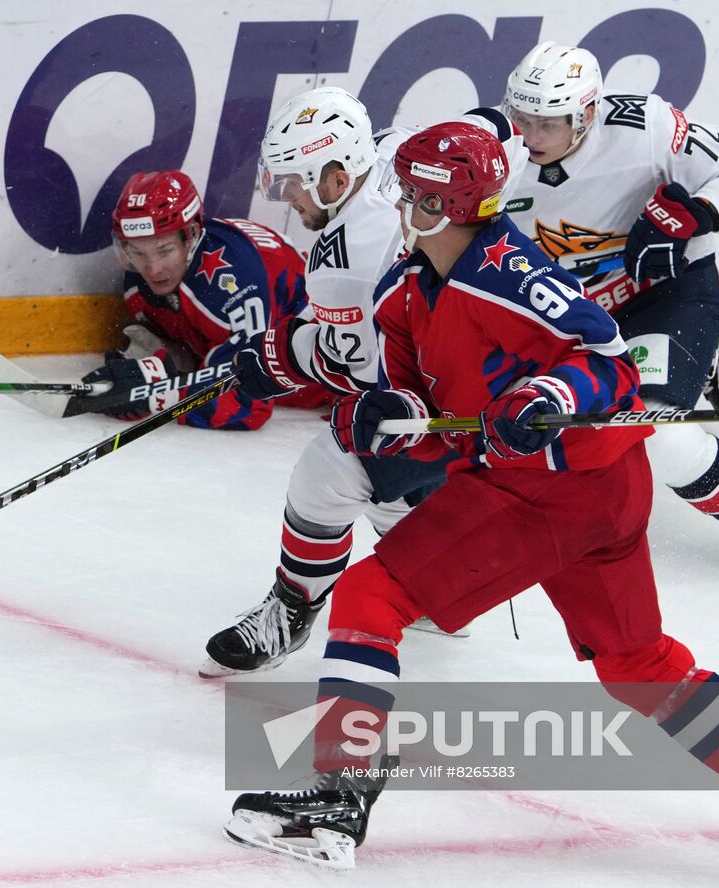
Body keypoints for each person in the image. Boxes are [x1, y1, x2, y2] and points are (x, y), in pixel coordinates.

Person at [222, 121, 719, 874]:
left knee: (372, 595)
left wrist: (549, 390)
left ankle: (337, 797)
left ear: (437, 204)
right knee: (638, 663)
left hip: (551, 493)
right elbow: (426, 422)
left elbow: (608, 362)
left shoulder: (510, 275)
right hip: (595, 492)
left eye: (410, 193)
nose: (398, 202)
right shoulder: (406, 291)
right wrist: (377, 418)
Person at [200, 88, 523, 676]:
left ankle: (290, 610)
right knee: (394, 484)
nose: (288, 197)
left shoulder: (344, 260)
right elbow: (492, 127)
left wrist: (277, 360)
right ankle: (433, 588)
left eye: (296, 182)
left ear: (338, 173)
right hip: (499, 361)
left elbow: (358, 371)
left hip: (452, 388)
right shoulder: (401, 153)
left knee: (330, 471)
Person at [501, 41, 719, 589]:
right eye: (521, 117)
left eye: (547, 124)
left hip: (660, 295)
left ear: (585, 115)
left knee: (657, 432)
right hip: (566, 316)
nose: (530, 136)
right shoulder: (496, 151)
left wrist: (697, 212)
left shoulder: (645, 126)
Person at [80, 170, 329, 430]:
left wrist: (163, 395)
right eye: (138, 253)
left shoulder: (233, 282)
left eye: (164, 250)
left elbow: (249, 402)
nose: (152, 269)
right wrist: (149, 366)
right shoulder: (142, 283)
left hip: (341, 379)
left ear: (192, 234)